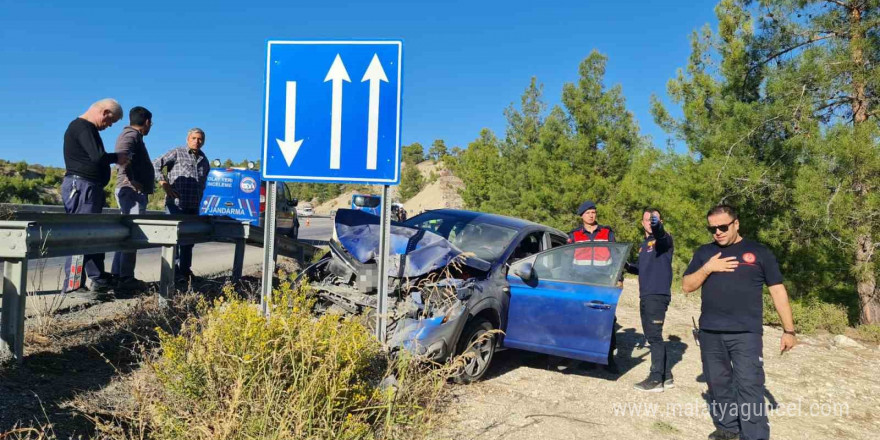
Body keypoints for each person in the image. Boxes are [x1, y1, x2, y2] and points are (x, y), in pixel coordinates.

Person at [682, 204, 796, 440]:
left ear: (736, 223)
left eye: (723, 227)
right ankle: (728, 428)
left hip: (746, 333)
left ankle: (755, 436)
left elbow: (777, 290)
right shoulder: (705, 253)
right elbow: (687, 286)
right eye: (712, 228)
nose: (718, 232)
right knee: (717, 383)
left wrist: (789, 330)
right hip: (710, 332)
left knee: (750, 385)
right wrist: (708, 268)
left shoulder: (759, 252)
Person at [61, 99, 129, 295]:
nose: (109, 126)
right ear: (105, 112)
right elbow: (97, 156)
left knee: (91, 234)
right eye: (110, 121)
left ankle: (97, 279)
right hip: (82, 187)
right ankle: (73, 285)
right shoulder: (83, 127)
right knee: (80, 235)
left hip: (88, 187)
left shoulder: (86, 128)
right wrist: (117, 157)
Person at [565, 200, 619, 373]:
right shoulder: (573, 235)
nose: (591, 215)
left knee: (607, 320)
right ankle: (586, 358)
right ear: (581, 215)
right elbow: (566, 260)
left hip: (604, 282)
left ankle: (608, 359)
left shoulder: (606, 232)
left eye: (594, 212)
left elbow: (617, 257)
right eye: (588, 212)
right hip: (582, 283)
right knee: (584, 319)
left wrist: (619, 278)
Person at [626, 208, 675, 392]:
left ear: (660, 221)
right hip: (645, 293)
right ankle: (666, 375)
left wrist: (658, 227)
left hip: (657, 293)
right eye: (648, 220)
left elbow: (661, 236)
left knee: (654, 336)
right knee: (653, 335)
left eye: (654, 220)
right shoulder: (643, 244)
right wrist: (627, 266)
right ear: (642, 222)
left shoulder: (664, 240)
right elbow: (641, 268)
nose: (650, 222)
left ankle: (655, 380)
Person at [153, 128, 210, 281]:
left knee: (189, 241)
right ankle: (173, 272)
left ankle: (185, 271)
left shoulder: (204, 160)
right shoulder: (177, 152)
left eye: (200, 139)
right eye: (194, 138)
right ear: (187, 139)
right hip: (176, 204)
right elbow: (155, 164)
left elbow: (203, 181)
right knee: (174, 240)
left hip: (193, 205)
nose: (196, 141)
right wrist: (164, 183)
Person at [111, 106, 155, 293]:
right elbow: (122, 156)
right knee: (132, 235)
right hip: (130, 191)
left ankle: (119, 276)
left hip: (131, 190)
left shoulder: (133, 136)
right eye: (150, 123)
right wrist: (132, 180)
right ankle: (125, 278)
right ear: (146, 122)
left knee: (127, 235)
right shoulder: (130, 136)